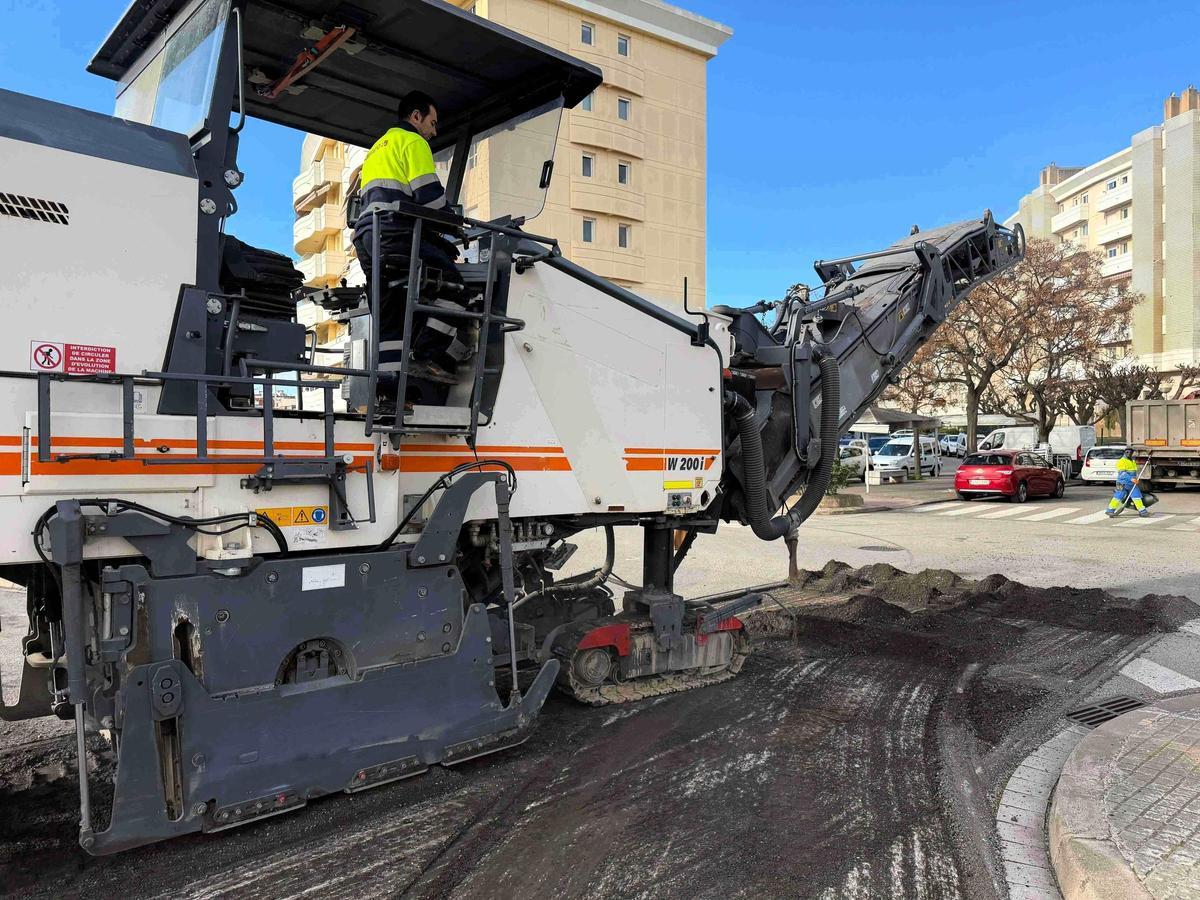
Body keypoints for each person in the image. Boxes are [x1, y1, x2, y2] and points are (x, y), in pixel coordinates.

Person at [352, 90, 467, 393]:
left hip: (367, 236)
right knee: (453, 287)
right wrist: (457, 226)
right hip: (394, 232)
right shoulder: (413, 142)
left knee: (390, 313)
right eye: (433, 122)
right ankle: (427, 356)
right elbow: (429, 198)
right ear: (416, 117)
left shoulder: (378, 147)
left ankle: (390, 395)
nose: (434, 131)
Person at [1107, 448, 1148, 518]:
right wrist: (1131, 479)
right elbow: (1122, 473)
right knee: (1118, 496)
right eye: (1127, 452)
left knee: (1137, 496)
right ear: (1124, 452)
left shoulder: (1132, 461)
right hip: (1123, 483)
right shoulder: (1121, 461)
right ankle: (1110, 510)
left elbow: (1133, 472)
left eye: (1130, 452)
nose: (1129, 453)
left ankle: (1142, 511)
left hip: (1132, 483)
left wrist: (1134, 479)